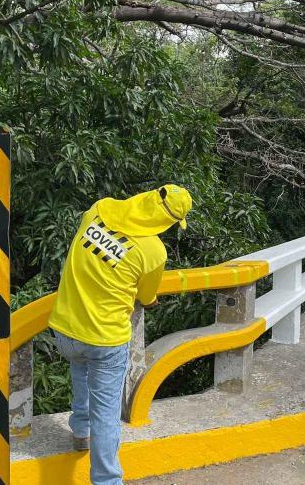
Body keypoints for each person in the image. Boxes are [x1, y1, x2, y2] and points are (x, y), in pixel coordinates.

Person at [48, 185, 192, 485]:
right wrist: (150, 301)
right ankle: (107, 480)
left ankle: (80, 430)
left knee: (79, 365)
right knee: (107, 413)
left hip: (63, 329)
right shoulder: (153, 252)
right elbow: (147, 294)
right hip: (105, 339)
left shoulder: (100, 209)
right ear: (167, 222)